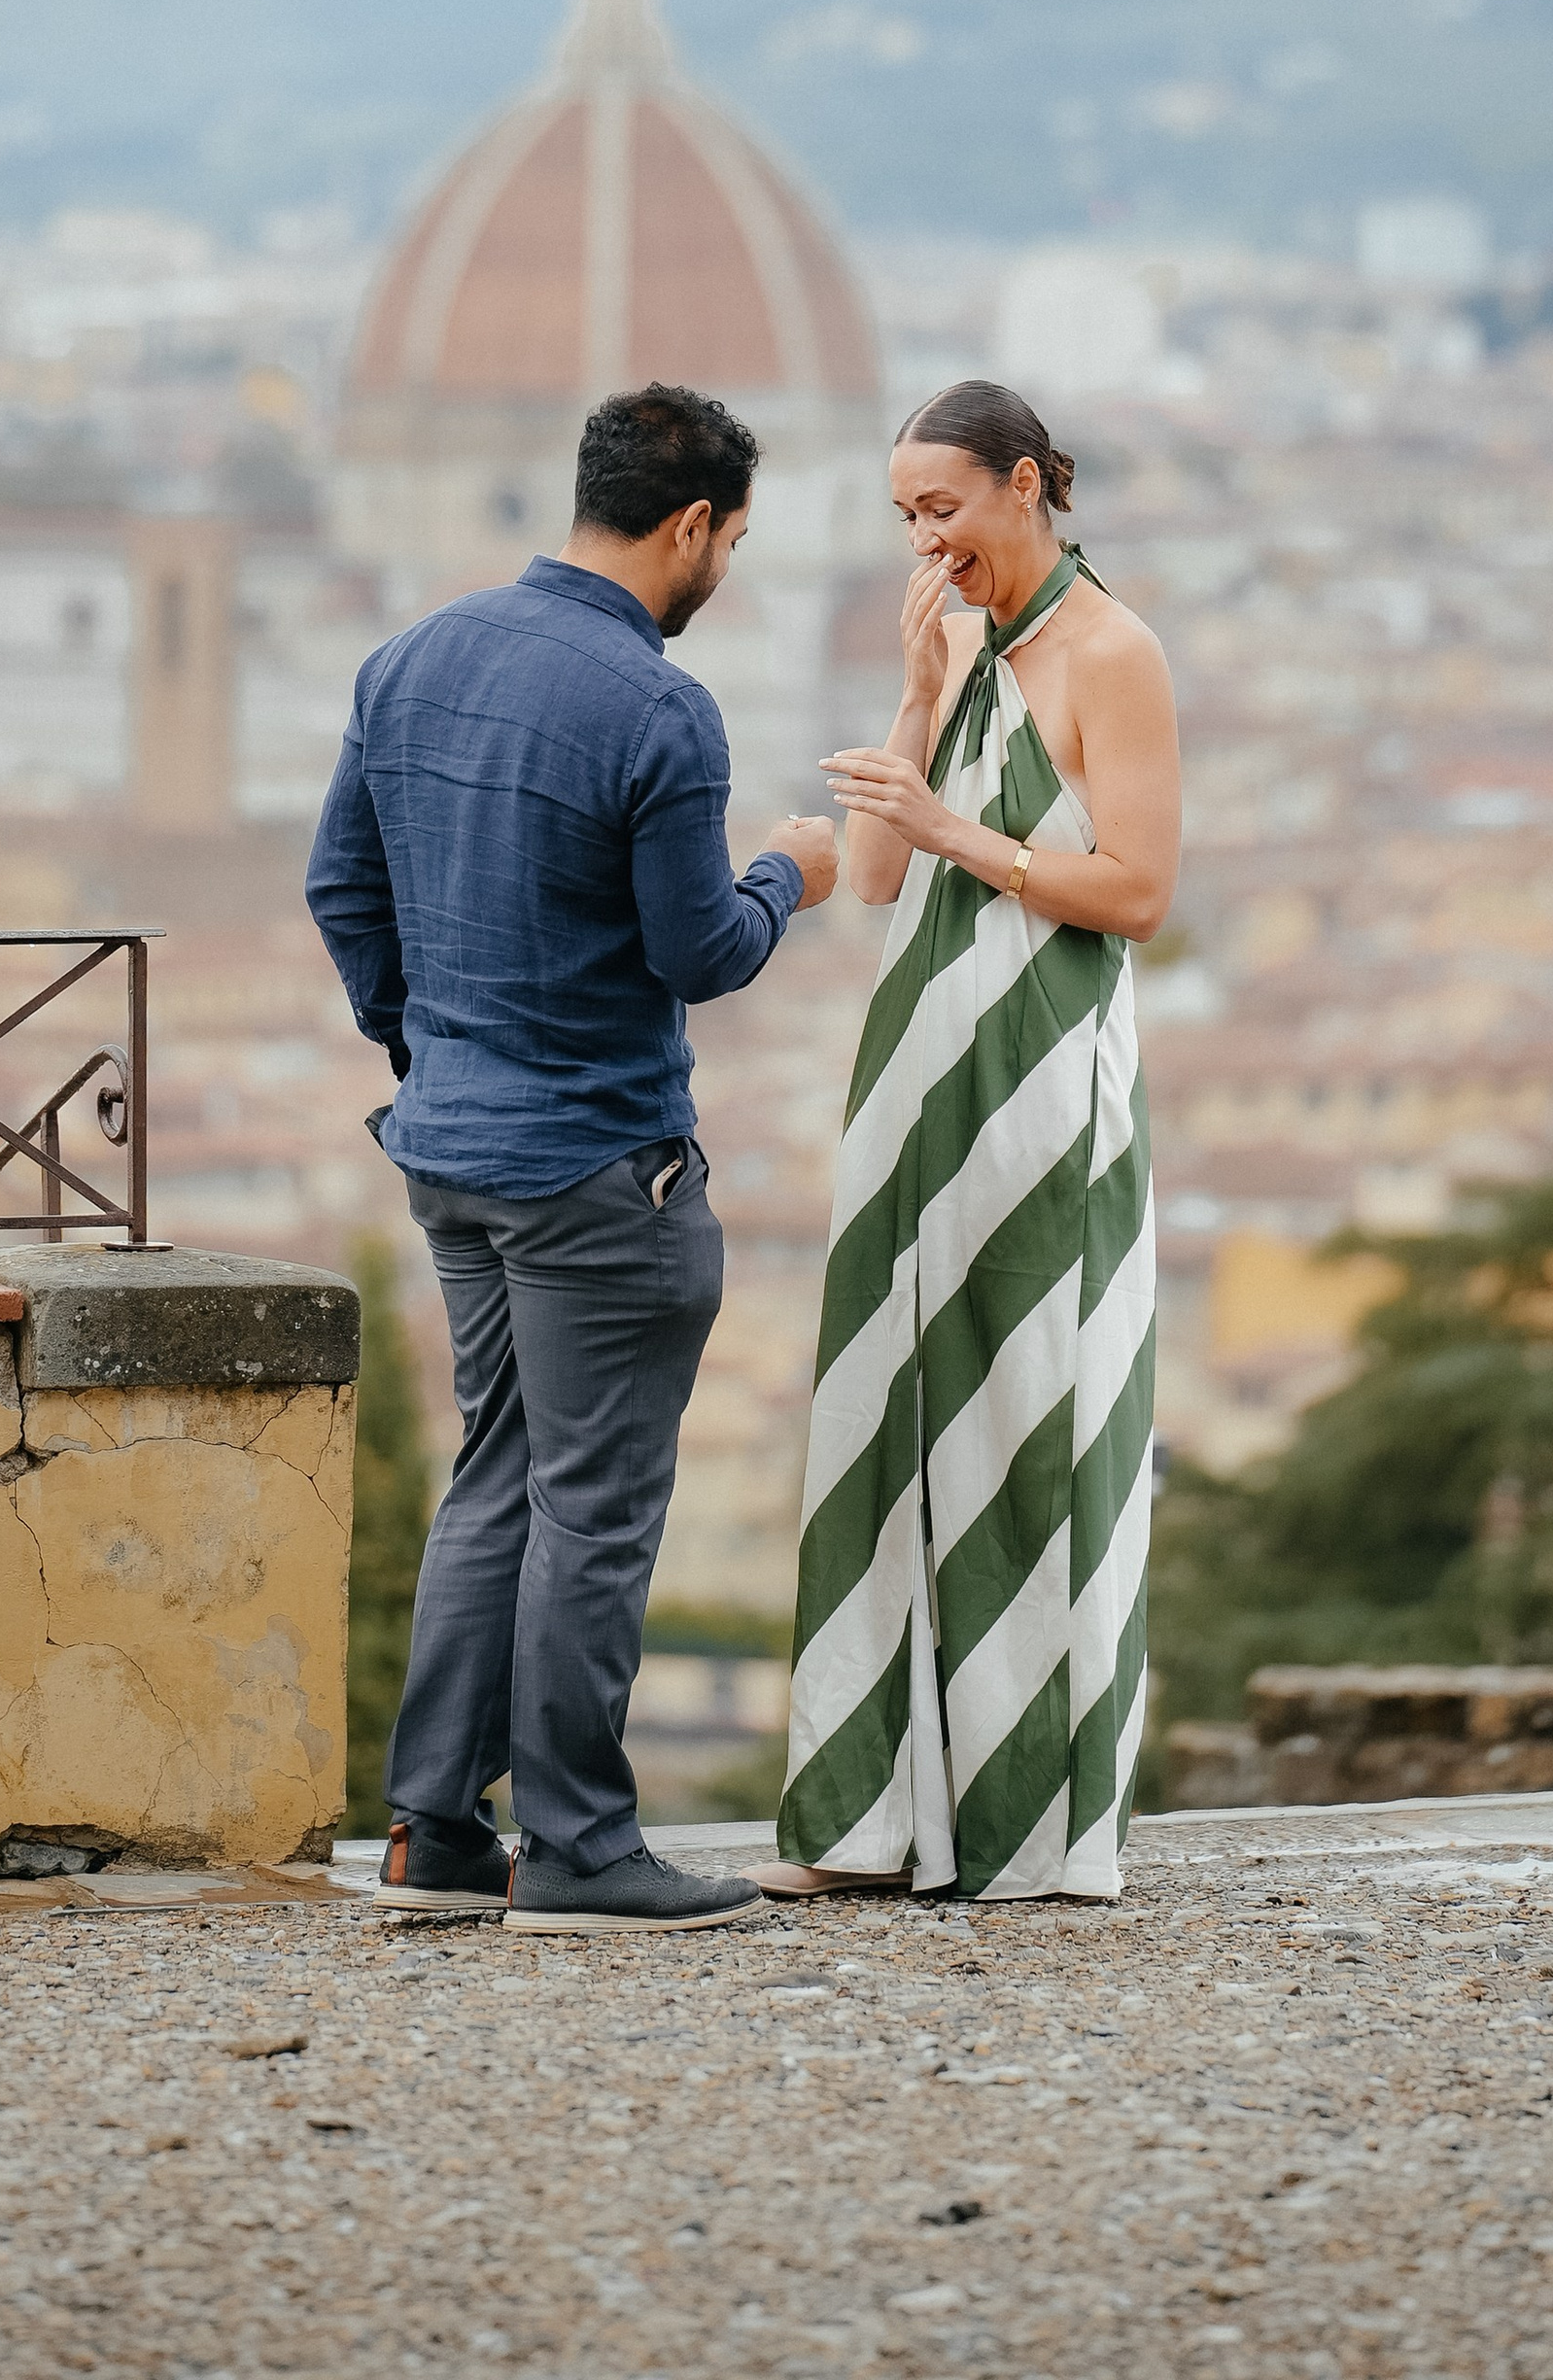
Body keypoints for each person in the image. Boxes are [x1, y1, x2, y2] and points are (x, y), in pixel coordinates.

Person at [307, 380, 839, 1936]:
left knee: (494, 1481)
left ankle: (432, 1833)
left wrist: (424, 1046)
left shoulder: (412, 657)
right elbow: (697, 950)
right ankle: (583, 1845)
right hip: (600, 1166)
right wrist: (788, 875)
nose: (726, 568)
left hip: (454, 1152)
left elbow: (343, 884)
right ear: (692, 525)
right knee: (594, 1504)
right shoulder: (659, 708)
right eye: (731, 541)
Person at [772, 379, 1181, 1903]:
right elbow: (875, 878)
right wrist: (911, 700)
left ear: (1025, 485)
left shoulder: (1113, 654)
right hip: (915, 1068)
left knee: (1025, 1411)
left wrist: (963, 831)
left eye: (941, 509)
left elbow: (1136, 891)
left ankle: (1024, 1822)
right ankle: (872, 1816)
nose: (924, 542)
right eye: (903, 519)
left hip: (1044, 1073)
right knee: (889, 1410)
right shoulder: (956, 645)